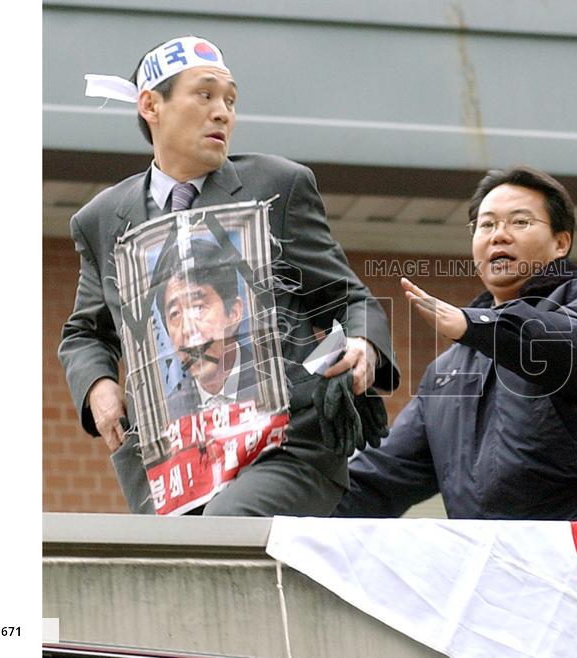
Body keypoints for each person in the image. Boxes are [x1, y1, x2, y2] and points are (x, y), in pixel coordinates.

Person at [59, 36, 398, 516]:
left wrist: (363, 344)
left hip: (283, 450)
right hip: (174, 465)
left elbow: (349, 298)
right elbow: (84, 333)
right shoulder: (102, 220)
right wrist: (97, 384)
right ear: (150, 105)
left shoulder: (278, 186)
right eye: (205, 95)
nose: (223, 112)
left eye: (230, 100)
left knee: (224, 526)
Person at [335, 166, 577, 521]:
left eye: (520, 222)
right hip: (499, 554)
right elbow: (376, 478)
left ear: (561, 242)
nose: (499, 236)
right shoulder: (448, 372)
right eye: (487, 224)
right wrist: (285, 492)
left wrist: (474, 324)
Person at [151, 238, 257, 418]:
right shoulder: (167, 415)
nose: (187, 329)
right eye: (175, 314)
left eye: (198, 307)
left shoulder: (274, 381)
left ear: (233, 313)